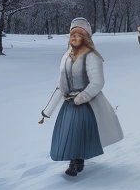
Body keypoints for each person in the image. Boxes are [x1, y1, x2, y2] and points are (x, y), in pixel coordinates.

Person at [39, 18, 123, 177]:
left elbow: (98, 82)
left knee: (78, 131)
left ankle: (76, 162)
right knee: (67, 132)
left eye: (79, 34)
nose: (75, 37)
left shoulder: (91, 56)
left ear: (86, 37)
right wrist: (47, 111)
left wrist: (82, 97)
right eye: (73, 34)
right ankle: (75, 159)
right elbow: (61, 85)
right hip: (69, 103)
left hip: (87, 103)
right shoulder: (65, 57)